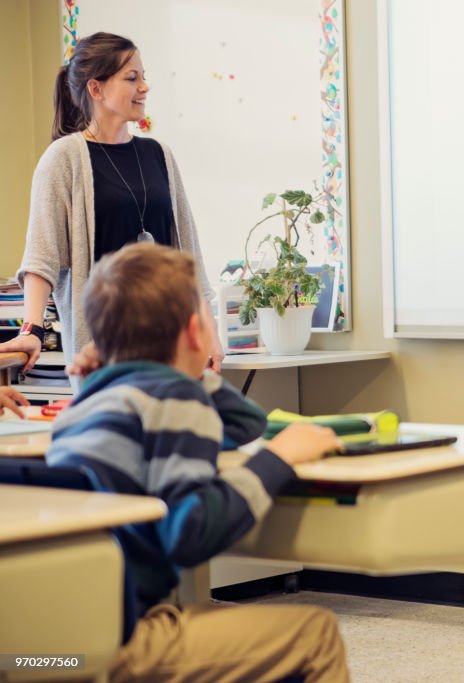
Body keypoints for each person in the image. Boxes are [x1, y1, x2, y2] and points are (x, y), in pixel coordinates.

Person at [46, 243, 348, 682]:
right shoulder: (172, 400)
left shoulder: (84, 407)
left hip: (41, 648)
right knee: (315, 632)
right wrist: (277, 457)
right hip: (114, 645)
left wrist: (183, 369)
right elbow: (189, 532)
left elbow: (243, 424)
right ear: (194, 332)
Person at [0, 31, 224, 377]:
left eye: (144, 77)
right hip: (104, 351)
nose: (144, 87)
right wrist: (31, 329)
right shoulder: (64, 159)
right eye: (131, 78)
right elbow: (41, 258)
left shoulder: (159, 155)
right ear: (96, 89)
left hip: (174, 344)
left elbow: (188, 254)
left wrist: (209, 329)